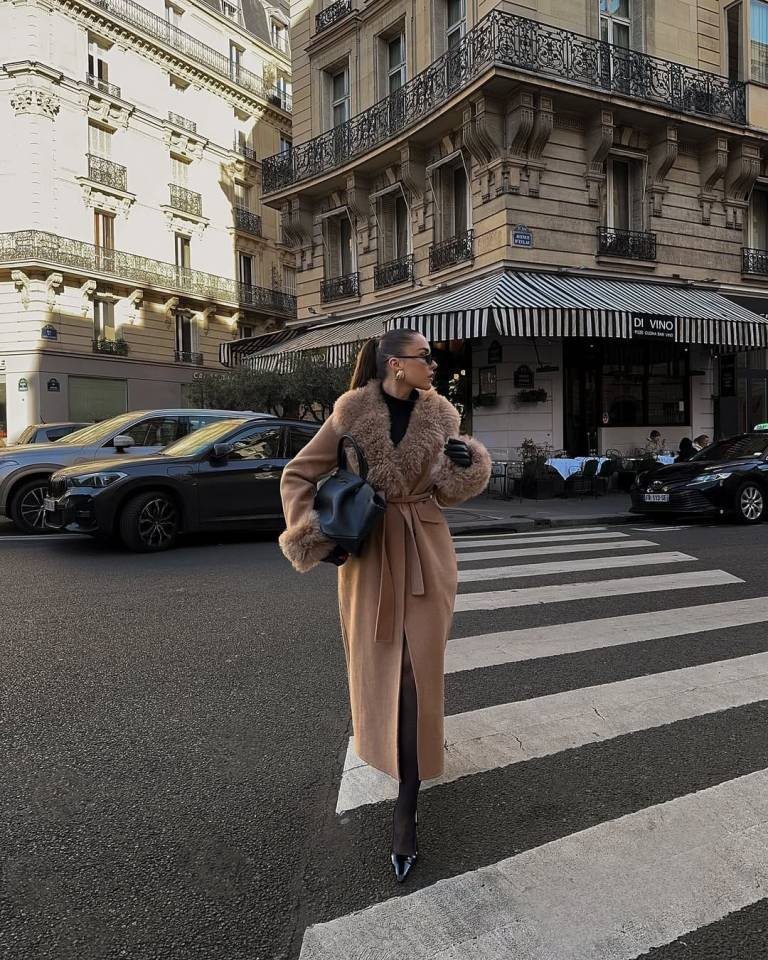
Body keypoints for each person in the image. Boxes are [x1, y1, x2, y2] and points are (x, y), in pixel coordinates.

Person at [278, 330, 491, 883]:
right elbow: (298, 474)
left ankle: (407, 805)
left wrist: (466, 463)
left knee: (418, 674)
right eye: (425, 357)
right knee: (379, 671)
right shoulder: (350, 414)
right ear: (396, 364)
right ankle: (389, 759)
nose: (434, 365)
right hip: (369, 553)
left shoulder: (441, 415)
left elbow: (449, 489)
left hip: (425, 549)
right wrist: (313, 534)